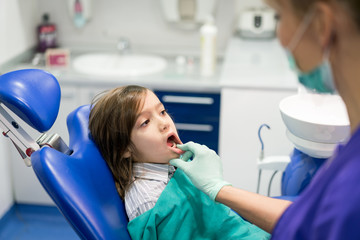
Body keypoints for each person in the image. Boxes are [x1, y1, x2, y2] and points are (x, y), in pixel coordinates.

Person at [170, 0, 360, 239]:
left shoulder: (353, 185)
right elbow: (308, 222)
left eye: (279, 17)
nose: (280, 37)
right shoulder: (350, 158)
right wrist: (220, 189)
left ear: (322, 25)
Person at [88, 85, 270, 239]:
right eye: (145, 122)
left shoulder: (170, 167)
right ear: (124, 149)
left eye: (162, 112)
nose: (164, 123)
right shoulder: (151, 201)